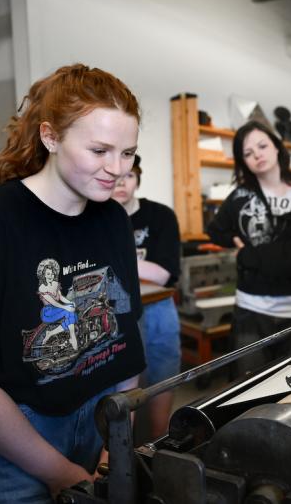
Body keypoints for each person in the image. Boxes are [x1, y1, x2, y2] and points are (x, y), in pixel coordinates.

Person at [0, 64, 146, 502]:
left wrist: (115, 443)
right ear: (51, 137)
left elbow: (124, 339)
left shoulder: (114, 220)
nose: (115, 169)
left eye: (127, 153)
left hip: (99, 417)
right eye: (99, 150)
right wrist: (58, 472)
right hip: (8, 437)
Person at [207, 120, 291, 375]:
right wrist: (237, 244)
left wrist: (250, 256)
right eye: (248, 153)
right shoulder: (242, 195)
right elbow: (216, 230)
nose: (257, 155)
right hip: (252, 310)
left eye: (262, 146)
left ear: (276, 146)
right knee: (247, 389)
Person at [112, 154, 181, 439]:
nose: (121, 183)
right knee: (119, 383)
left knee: (163, 372)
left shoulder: (160, 215)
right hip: (114, 308)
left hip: (157, 307)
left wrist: (117, 259)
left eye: (128, 175)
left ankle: (158, 438)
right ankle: (119, 451)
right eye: (115, 177)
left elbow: (164, 273)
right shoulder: (94, 217)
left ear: (137, 179)